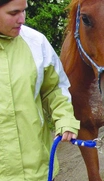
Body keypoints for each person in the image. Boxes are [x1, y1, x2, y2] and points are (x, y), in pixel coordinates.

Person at [0, 0, 80, 180]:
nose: (22, 19)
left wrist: (65, 118)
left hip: (37, 170)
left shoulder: (37, 43)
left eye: (24, 11)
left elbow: (54, 88)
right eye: (13, 13)